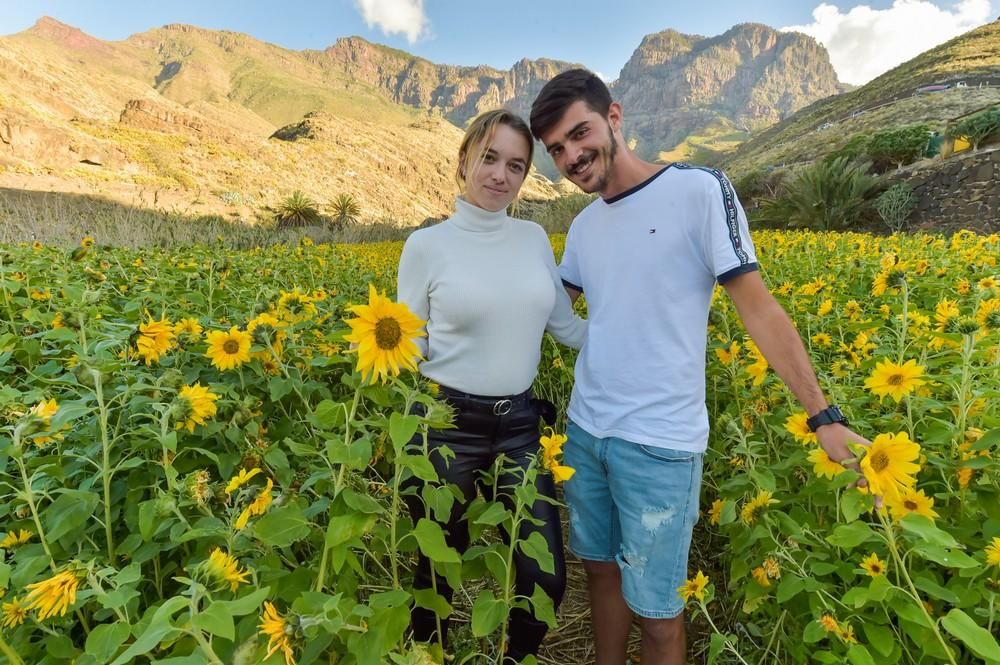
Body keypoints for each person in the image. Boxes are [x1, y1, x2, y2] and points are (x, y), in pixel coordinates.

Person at [528, 69, 873, 665]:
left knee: (660, 615)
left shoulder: (699, 191)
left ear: (614, 116)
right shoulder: (583, 226)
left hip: (659, 446)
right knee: (601, 578)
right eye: (556, 149)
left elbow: (760, 310)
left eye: (578, 134)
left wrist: (824, 415)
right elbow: (547, 310)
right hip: (585, 436)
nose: (572, 156)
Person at [396, 109, 587, 662]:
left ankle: (514, 656)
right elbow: (412, 340)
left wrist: (639, 329)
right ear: (463, 161)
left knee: (544, 576)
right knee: (436, 575)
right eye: (489, 158)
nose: (501, 175)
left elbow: (566, 328)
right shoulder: (426, 246)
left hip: (521, 426)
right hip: (446, 427)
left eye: (516, 165)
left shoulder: (531, 239)